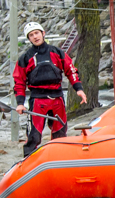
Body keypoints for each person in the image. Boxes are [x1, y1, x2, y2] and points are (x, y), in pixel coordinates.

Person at [14, 21, 87, 156]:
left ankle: (60, 159)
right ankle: (29, 161)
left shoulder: (57, 52)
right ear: (29, 39)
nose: (35, 36)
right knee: (34, 136)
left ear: (43, 33)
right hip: (38, 101)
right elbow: (19, 82)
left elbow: (71, 71)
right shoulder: (25, 58)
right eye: (31, 35)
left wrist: (79, 89)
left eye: (37, 33)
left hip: (57, 99)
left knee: (60, 134)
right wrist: (20, 103)